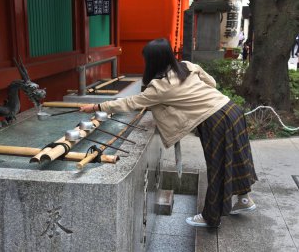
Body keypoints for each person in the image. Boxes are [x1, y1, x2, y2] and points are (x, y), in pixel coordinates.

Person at [80, 38, 258, 228]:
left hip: (216, 121)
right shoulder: (186, 66)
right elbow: (212, 82)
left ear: (153, 61)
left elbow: (130, 103)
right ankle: (245, 200)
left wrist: (97, 106)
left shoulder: (161, 87)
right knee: (237, 158)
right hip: (232, 110)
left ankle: (211, 217)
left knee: (218, 168)